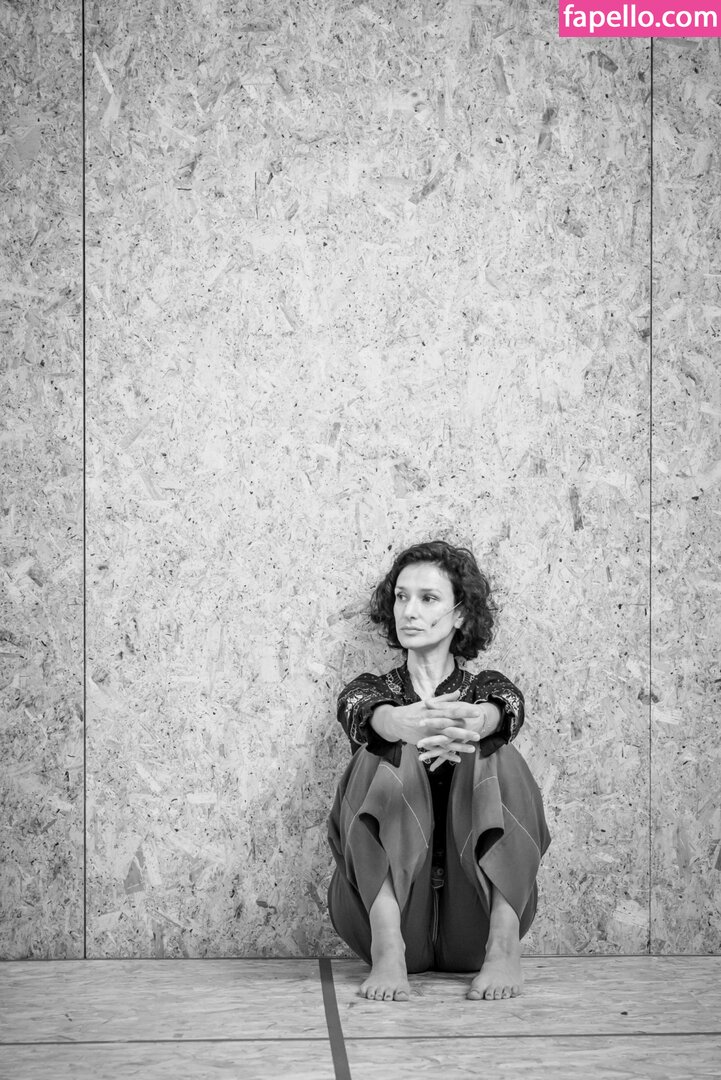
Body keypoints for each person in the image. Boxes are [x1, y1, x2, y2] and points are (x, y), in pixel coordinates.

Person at [327, 540, 550, 1002]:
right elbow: (357, 707)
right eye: (401, 596)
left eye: (428, 598)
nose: (409, 610)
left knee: (496, 750)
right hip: (382, 919)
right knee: (381, 749)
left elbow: (508, 705)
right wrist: (396, 724)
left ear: (460, 614)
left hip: (474, 918)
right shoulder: (371, 690)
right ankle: (389, 952)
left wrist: (478, 721)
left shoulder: (485, 688)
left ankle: (504, 948)